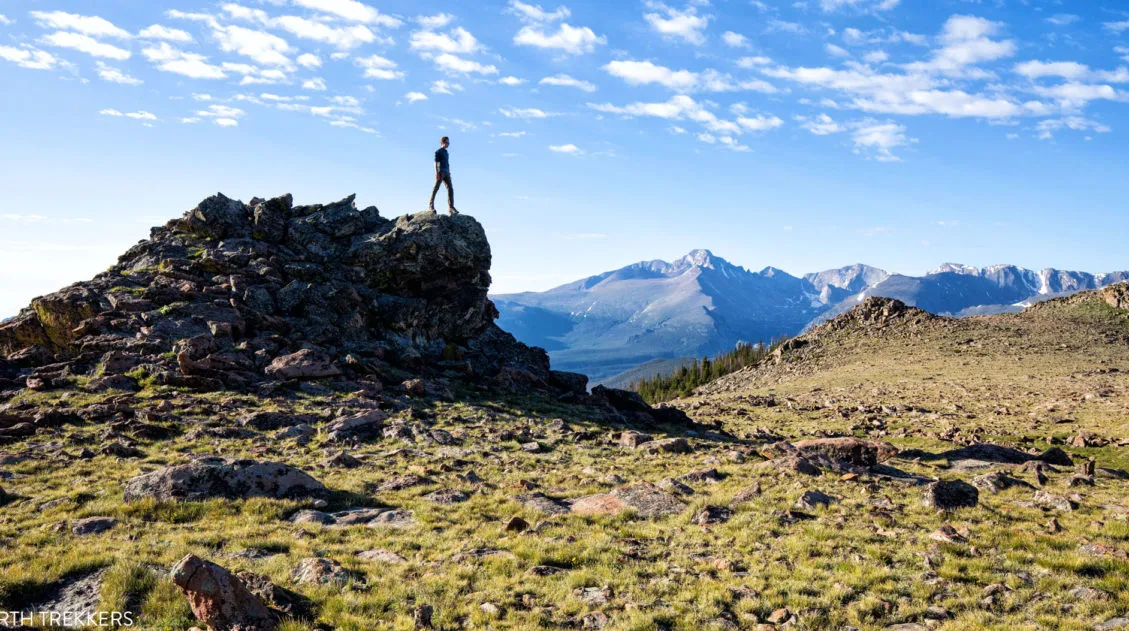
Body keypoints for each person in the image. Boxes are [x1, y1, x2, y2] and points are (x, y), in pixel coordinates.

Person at [429, 136, 458, 215]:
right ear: (442, 143)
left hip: (446, 173)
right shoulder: (438, 152)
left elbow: (447, 163)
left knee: (450, 189)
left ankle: (451, 207)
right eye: (446, 142)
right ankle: (431, 206)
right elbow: (436, 163)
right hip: (440, 172)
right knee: (436, 188)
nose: (448, 144)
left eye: (449, 143)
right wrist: (437, 173)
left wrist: (449, 173)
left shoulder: (446, 152)